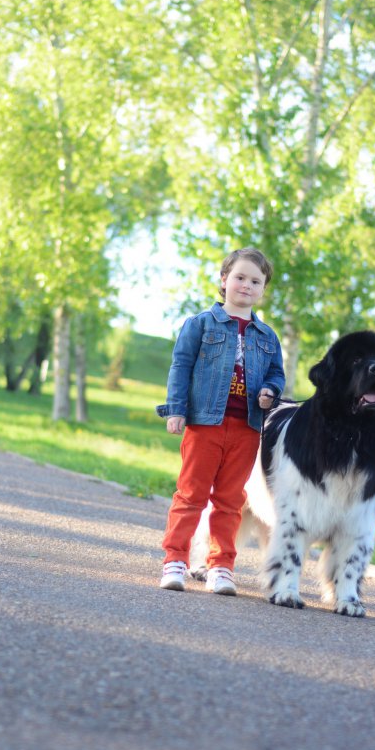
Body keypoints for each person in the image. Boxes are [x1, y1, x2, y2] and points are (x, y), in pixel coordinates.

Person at [156, 247, 285, 596]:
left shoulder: (267, 336)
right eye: (240, 277)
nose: (246, 285)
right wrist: (176, 409)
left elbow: (276, 374)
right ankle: (175, 561)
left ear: (262, 289)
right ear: (224, 279)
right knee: (191, 495)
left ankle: (221, 567)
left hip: (246, 429)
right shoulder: (200, 324)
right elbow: (181, 367)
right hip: (205, 424)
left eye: (255, 281)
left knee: (230, 501)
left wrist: (271, 391)